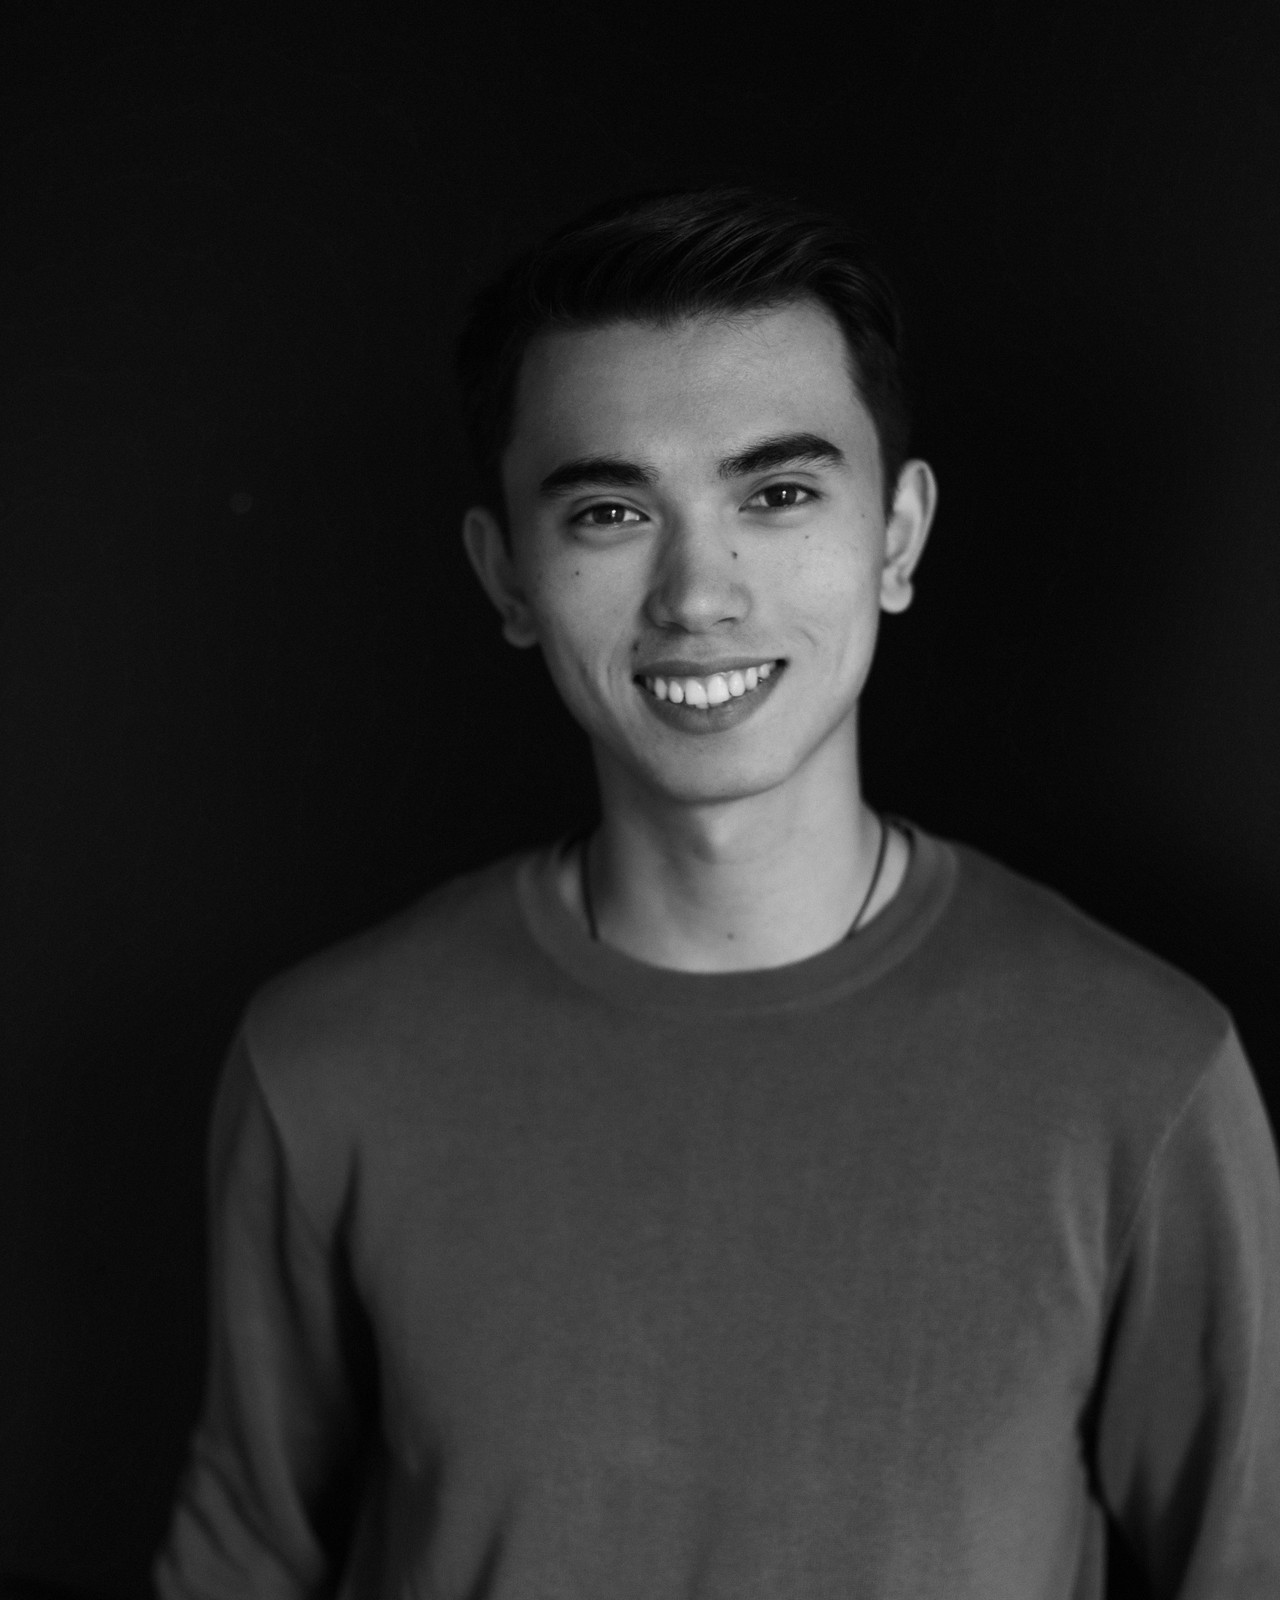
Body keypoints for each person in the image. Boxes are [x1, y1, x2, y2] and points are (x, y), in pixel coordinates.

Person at [156, 188, 1280, 1598]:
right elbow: (244, 1554)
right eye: (610, 511)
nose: (699, 593)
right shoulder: (323, 1065)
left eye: (779, 494)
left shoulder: (1146, 1075)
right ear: (508, 574)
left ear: (898, 537)